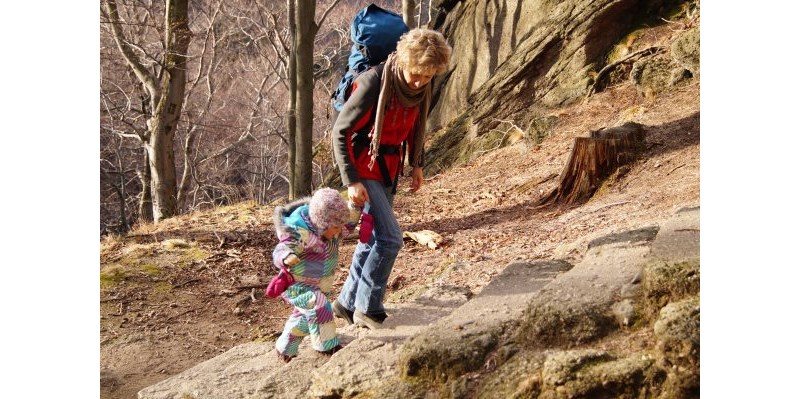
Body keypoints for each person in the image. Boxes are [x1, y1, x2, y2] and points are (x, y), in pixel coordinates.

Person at [331, 28, 452, 329]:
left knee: (372, 238)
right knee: (390, 239)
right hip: (364, 166)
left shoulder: (420, 84)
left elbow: (416, 123)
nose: (419, 82)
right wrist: (351, 181)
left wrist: (417, 164)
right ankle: (368, 308)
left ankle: (346, 303)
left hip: (389, 166)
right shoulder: (375, 82)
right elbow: (340, 131)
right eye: (416, 74)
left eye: (427, 77)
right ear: (404, 61)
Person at [271, 187, 352, 362]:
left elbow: (348, 223)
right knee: (319, 306)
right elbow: (281, 249)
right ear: (321, 224)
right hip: (298, 287)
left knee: (304, 319)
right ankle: (327, 346)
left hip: (320, 285)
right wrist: (286, 258)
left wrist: (357, 205)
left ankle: (284, 348)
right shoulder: (300, 234)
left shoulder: (332, 230)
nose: (338, 231)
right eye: (335, 227)